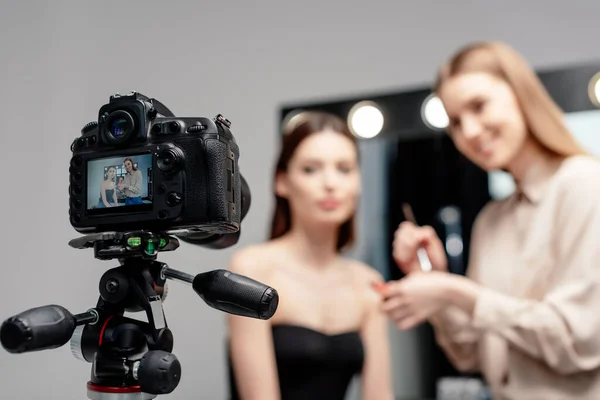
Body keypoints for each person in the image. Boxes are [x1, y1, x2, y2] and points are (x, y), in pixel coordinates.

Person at [380, 41, 600, 400]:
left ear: (520, 93)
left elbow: (578, 341)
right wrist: (434, 281)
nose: (468, 131)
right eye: (455, 122)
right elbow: (472, 356)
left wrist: (455, 291)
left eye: (479, 106)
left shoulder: (585, 186)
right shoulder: (491, 221)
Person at [226, 111, 394, 400]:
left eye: (344, 169)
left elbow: (380, 395)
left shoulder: (369, 284)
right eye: (310, 169)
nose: (330, 183)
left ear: (358, 183)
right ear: (282, 182)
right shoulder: (253, 271)